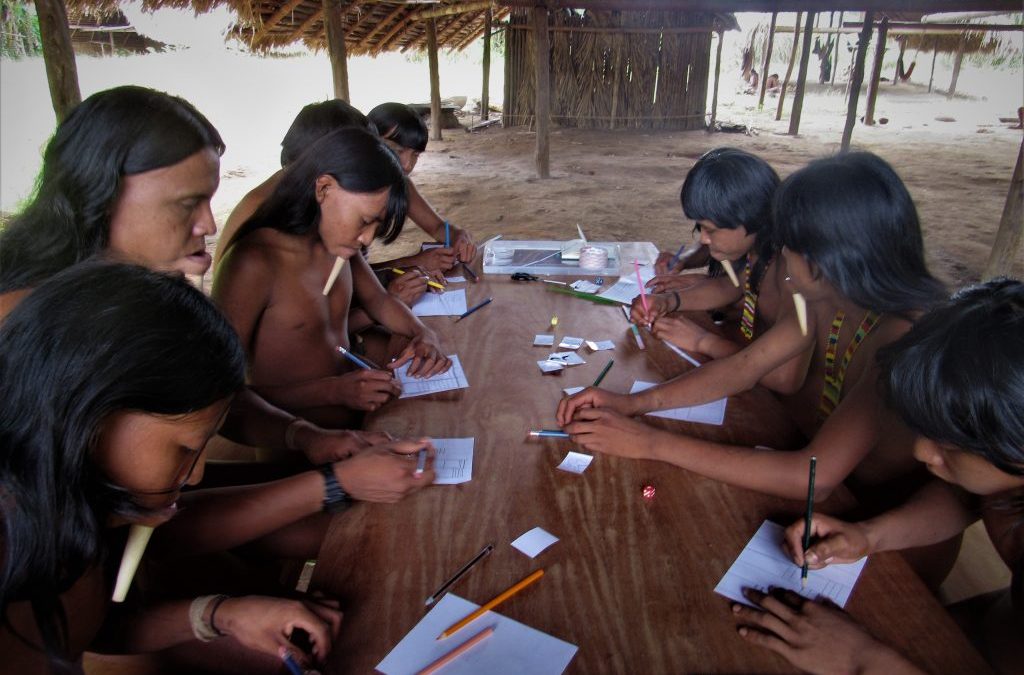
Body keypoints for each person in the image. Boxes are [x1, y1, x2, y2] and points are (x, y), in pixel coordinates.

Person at [0, 85, 428, 499]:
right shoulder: (29, 325)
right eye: (188, 203)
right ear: (102, 192)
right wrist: (330, 481)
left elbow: (168, 490)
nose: (209, 225)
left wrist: (310, 443)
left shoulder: (129, 298)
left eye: (209, 201)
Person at [0, 262, 368, 673]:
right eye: (185, 450)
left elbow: (92, 628)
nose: (194, 475)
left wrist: (219, 615)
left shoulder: (77, 510)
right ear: (92, 417)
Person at [558, 153, 949, 536]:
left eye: (786, 247)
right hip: (824, 496)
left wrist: (651, 442)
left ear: (823, 259)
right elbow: (745, 367)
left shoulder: (901, 338)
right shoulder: (826, 299)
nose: (779, 260)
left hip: (873, 524)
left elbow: (813, 477)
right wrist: (634, 404)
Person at [733, 278, 1024, 674]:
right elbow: (965, 498)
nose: (922, 452)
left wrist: (860, 659)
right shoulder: (1004, 474)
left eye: (950, 447)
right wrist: (869, 535)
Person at [214, 127, 451, 430]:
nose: (367, 239)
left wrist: (422, 333)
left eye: (376, 227)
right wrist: (334, 391)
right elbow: (222, 398)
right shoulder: (254, 264)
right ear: (324, 189)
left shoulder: (337, 246)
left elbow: (380, 301)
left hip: (357, 423)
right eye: (365, 222)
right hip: (296, 446)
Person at [632, 148, 793, 374]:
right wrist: (667, 301)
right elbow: (729, 286)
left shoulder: (793, 275)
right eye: (701, 228)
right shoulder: (760, 254)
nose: (704, 239)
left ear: (752, 217)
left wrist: (703, 341)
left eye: (711, 230)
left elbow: (783, 376)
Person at [367, 103, 476, 271]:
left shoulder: (401, 184)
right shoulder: (347, 194)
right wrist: (413, 263)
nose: (407, 165)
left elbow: (437, 227)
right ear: (369, 141)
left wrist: (458, 235)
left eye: (415, 155)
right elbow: (348, 277)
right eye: (397, 150)